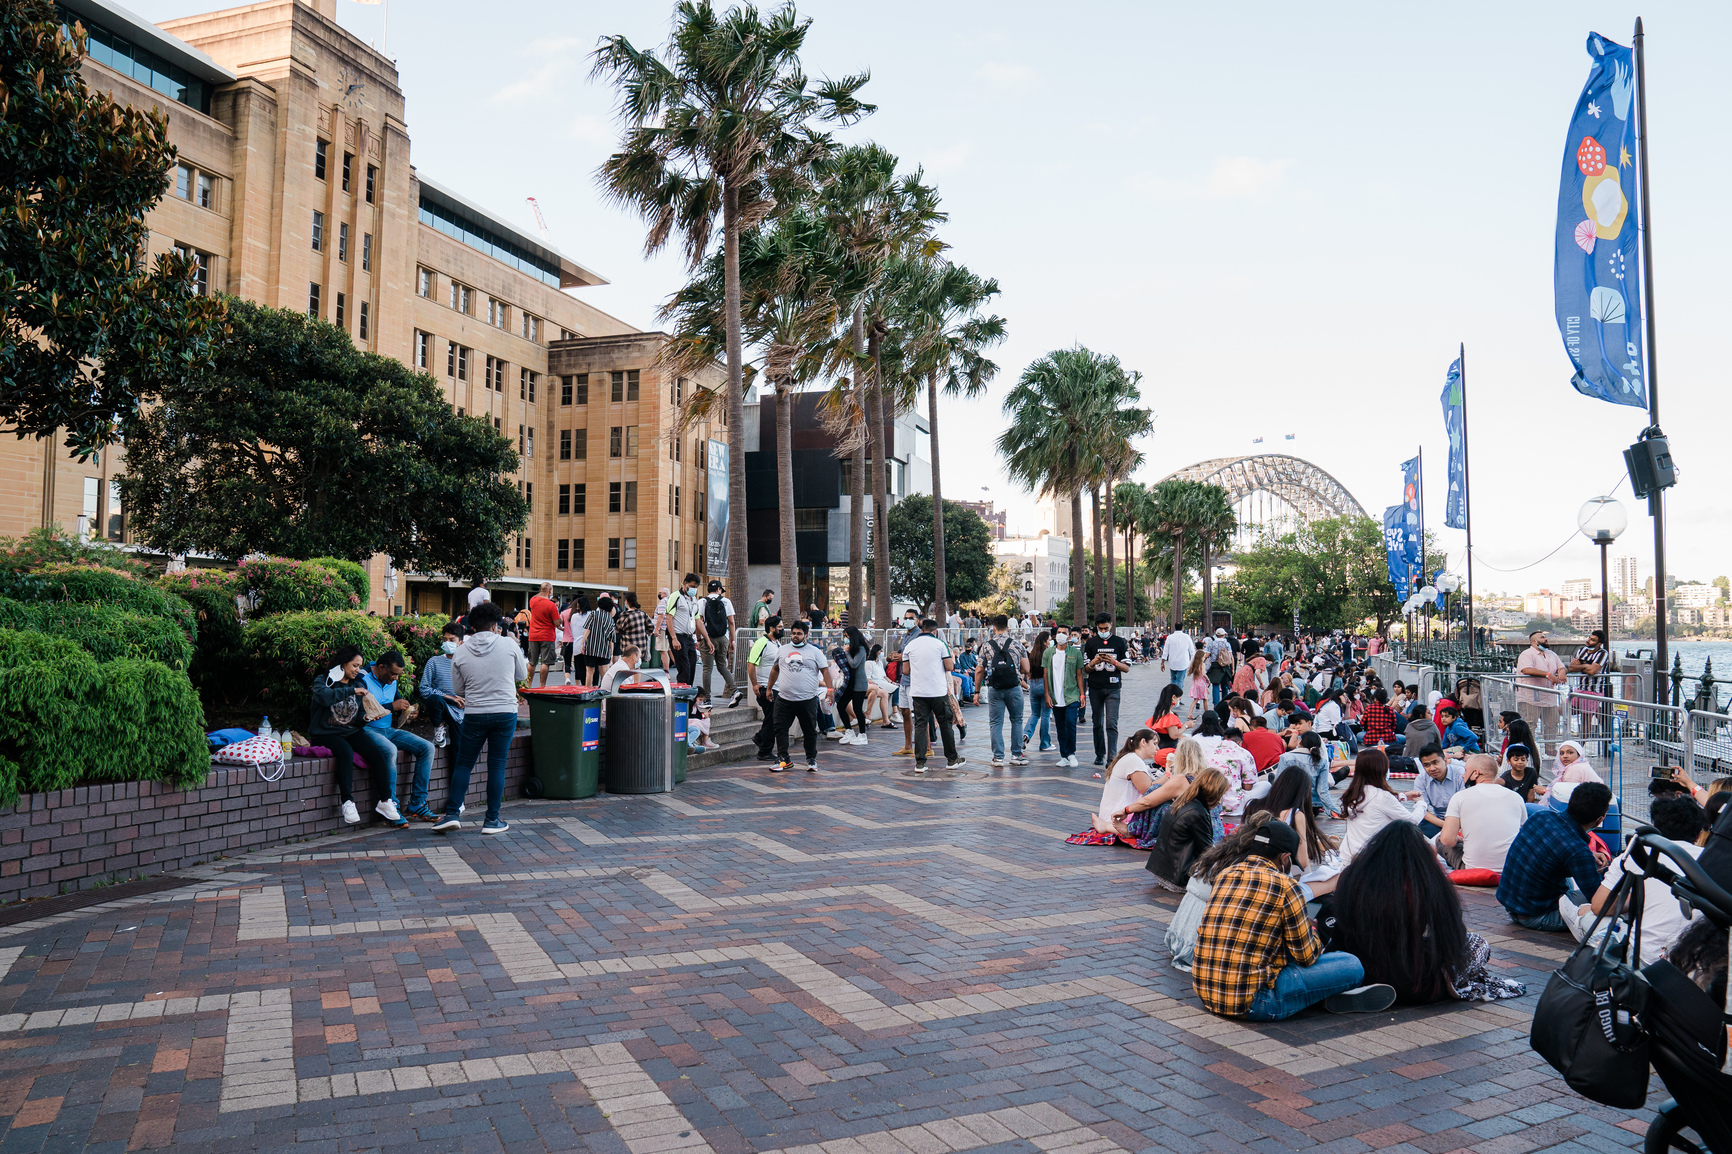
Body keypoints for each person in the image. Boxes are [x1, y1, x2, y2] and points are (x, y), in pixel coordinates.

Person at [1192, 818, 1396, 1020]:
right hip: (1254, 1002)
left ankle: (1320, 994)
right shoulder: (1286, 886)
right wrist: (1313, 929)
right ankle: (1322, 994)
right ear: (1284, 857)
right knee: (1352, 965)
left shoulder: (1226, 875)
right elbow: (1306, 956)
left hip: (1206, 992)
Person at [1324, 822, 1526, 1004]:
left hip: (1355, 966)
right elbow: (1451, 937)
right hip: (1416, 981)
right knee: (1477, 943)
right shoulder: (1426, 885)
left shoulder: (1350, 875)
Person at [1562, 794, 1708, 961]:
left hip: (1644, 957)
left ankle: (1577, 918)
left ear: (1654, 826)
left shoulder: (1635, 855)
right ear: (1698, 834)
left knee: (1589, 915)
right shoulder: (1712, 860)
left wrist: (1640, 896)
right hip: (1697, 961)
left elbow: (1600, 906)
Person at [435, 600, 527, 835]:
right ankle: (492, 820)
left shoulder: (462, 649)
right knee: (496, 765)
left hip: (475, 713)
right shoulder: (508, 644)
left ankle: (453, 814)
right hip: (505, 712)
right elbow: (521, 675)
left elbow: (459, 689)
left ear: (471, 626)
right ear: (496, 624)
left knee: (464, 763)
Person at [309, 645, 406, 828]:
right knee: (345, 752)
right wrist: (351, 692)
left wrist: (367, 717)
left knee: (377, 753)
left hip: (350, 731)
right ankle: (347, 802)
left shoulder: (358, 684)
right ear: (342, 664)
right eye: (354, 665)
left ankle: (385, 801)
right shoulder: (325, 680)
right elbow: (324, 697)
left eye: (359, 666)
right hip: (325, 733)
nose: (357, 670)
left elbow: (358, 717)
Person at [1495, 781, 1612, 930]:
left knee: (1573, 881)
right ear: (1600, 820)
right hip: (1535, 915)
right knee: (1610, 914)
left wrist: (1588, 858)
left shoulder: (1541, 816)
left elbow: (1558, 848)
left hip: (1511, 903)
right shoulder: (1577, 850)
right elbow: (1599, 902)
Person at [359, 648, 438, 822]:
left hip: (388, 729)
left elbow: (397, 704)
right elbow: (361, 711)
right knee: (390, 750)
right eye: (393, 674)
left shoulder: (392, 680)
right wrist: (392, 706)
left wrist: (408, 712)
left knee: (427, 747)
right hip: (366, 730)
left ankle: (417, 804)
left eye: (398, 675)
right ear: (381, 667)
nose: (396, 678)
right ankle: (391, 806)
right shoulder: (362, 678)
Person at [1437, 753, 1529, 874]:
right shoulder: (1516, 797)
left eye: (1466, 771)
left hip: (1472, 870)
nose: (1463, 776)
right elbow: (1522, 835)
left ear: (1475, 773)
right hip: (1510, 869)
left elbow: (1447, 840)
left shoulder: (1460, 797)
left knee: (1440, 840)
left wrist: (1458, 840)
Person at [764, 619, 835, 773]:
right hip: (784, 699)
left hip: (807, 699)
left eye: (799, 634)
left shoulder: (814, 652)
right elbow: (775, 669)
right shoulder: (782, 650)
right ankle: (784, 759)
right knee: (780, 728)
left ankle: (811, 759)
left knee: (809, 731)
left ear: (806, 635)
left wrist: (830, 689)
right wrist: (769, 688)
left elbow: (824, 671)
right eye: (794, 633)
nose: (795, 636)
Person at [1144, 768, 1230, 891]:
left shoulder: (1184, 801)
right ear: (1215, 792)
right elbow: (1207, 850)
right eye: (1221, 794)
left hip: (1161, 868)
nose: (1221, 799)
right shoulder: (1198, 812)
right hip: (1178, 875)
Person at [1337, 748, 1424, 862]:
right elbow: (1412, 822)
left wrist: (1403, 796)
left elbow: (1375, 805)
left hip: (1348, 858)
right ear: (1381, 769)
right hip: (1374, 859)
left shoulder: (1353, 794)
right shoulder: (1383, 797)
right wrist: (1421, 804)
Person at [903, 618, 965, 774]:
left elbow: (905, 670)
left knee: (920, 726)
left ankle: (920, 763)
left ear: (921, 629)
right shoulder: (940, 644)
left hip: (917, 692)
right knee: (945, 724)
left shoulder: (910, 645)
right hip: (938, 692)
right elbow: (949, 666)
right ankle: (952, 759)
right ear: (935, 631)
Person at [1093, 729, 1161, 838]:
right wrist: (1168, 775)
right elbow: (1148, 790)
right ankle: (1107, 826)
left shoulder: (1132, 758)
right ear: (1143, 742)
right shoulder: (1134, 760)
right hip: (1118, 816)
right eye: (1155, 744)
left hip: (1116, 813)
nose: (1157, 748)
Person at [982, 615, 1030, 767]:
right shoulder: (1017, 644)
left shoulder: (986, 646)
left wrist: (977, 692)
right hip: (1014, 687)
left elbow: (978, 670)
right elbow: (1026, 668)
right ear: (1008, 628)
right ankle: (1016, 755)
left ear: (993, 628)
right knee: (1016, 720)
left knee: (996, 722)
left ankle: (998, 757)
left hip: (994, 688)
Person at [1083, 612, 1130, 766]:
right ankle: (1099, 754)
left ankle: (1112, 757)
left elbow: (1127, 667)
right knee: (1097, 722)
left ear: (1111, 625)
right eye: (1101, 629)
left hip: (1113, 687)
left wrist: (1114, 662)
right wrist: (1093, 662)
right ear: (1096, 627)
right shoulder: (1090, 644)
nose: (1103, 631)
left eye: (1106, 628)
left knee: (1111, 722)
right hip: (1096, 687)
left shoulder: (1119, 642)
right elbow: (1086, 669)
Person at [419, 620, 467, 750]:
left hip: (461, 709)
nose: (447, 643)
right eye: (445, 639)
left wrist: (465, 701)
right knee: (434, 699)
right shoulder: (434, 662)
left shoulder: (466, 663)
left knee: (458, 749)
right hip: (443, 705)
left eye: (452, 640)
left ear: (460, 643)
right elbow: (424, 689)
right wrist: (450, 698)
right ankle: (439, 729)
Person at [1043, 625, 1086, 767]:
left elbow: (1079, 674)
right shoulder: (1048, 653)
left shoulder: (1075, 653)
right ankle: (1064, 755)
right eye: (1059, 632)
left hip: (1071, 695)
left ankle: (1071, 753)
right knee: (1060, 727)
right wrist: (1047, 694)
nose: (1061, 635)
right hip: (1056, 697)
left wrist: (1081, 694)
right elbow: (1045, 675)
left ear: (1069, 636)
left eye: (1064, 633)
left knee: (1070, 723)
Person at [1515, 629, 1567, 743]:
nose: (1545, 639)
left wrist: (1562, 672)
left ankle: (1551, 751)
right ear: (1534, 641)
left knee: (1553, 724)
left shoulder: (1551, 654)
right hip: (1530, 697)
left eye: (1545, 637)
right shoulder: (1527, 654)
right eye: (1542, 637)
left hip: (1549, 697)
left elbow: (1561, 666)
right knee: (1530, 724)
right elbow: (1526, 669)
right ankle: (1531, 751)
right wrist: (1547, 674)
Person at [696, 580, 740, 704]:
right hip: (723, 638)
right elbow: (731, 622)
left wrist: (699, 639)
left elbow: (698, 622)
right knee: (722, 666)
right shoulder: (726, 601)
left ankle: (707, 698)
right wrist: (732, 640)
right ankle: (735, 690)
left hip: (707, 638)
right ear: (719, 589)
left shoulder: (702, 602)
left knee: (707, 668)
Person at [1411, 743, 1466, 840]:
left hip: (1463, 820)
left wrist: (1456, 827)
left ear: (1445, 761)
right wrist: (1448, 826)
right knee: (1414, 835)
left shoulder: (1460, 774)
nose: (1432, 768)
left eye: (1435, 762)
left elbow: (1467, 806)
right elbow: (1424, 811)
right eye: (1426, 765)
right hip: (1439, 821)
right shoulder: (1421, 780)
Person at [748, 615, 782, 762]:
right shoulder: (761, 642)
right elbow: (751, 663)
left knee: (772, 718)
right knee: (772, 718)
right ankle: (764, 750)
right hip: (764, 687)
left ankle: (761, 738)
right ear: (772, 628)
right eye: (780, 627)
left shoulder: (777, 644)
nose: (782, 629)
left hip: (776, 687)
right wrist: (755, 684)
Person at [834, 627, 872, 746]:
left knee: (857, 708)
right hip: (849, 684)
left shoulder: (860, 649)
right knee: (840, 705)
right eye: (844, 636)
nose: (845, 639)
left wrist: (846, 651)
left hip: (859, 684)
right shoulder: (852, 649)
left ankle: (862, 734)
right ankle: (849, 731)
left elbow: (854, 664)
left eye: (847, 636)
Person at [665, 573, 702, 687]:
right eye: (692, 586)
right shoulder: (676, 596)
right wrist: (674, 638)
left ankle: (689, 699)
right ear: (684, 584)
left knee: (691, 669)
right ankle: (681, 698)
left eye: (696, 587)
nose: (693, 589)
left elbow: (698, 621)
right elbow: (669, 618)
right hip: (678, 636)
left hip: (689, 637)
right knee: (684, 669)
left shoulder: (694, 600)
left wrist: (704, 639)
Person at [526, 581, 561, 689]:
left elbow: (538, 595)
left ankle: (528, 684)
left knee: (532, 662)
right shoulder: (551, 605)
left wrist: (543, 591)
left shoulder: (533, 601)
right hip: (547, 636)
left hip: (533, 635)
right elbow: (557, 622)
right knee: (545, 662)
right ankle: (542, 686)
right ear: (550, 591)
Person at [1023, 631, 1052, 753]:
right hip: (1045, 684)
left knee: (1035, 714)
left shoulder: (1032, 653)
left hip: (1033, 684)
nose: (1050, 641)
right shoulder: (1049, 653)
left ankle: (1026, 734)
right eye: (1049, 639)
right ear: (1045, 641)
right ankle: (1045, 743)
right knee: (1045, 715)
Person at [581, 595, 619, 687]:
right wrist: (611, 651)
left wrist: (582, 643)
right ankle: (603, 691)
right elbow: (611, 638)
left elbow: (587, 630)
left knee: (590, 672)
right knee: (604, 673)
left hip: (591, 648)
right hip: (604, 649)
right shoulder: (610, 619)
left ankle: (587, 690)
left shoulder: (593, 614)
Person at [615, 591, 653, 675]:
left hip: (627, 646)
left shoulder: (624, 615)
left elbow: (617, 629)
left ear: (626, 602)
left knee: (627, 667)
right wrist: (643, 633)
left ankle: (629, 685)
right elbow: (651, 627)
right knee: (637, 667)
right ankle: (637, 685)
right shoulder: (642, 613)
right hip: (640, 647)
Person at [863, 643, 897, 728]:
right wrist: (873, 683)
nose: (882, 652)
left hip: (881, 681)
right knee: (876, 689)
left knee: (885, 693)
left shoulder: (880, 663)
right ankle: (868, 713)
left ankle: (886, 720)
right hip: (874, 682)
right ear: (877, 652)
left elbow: (884, 675)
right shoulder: (869, 663)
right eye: (880, 651)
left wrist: (891, 682)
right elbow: (868, 677)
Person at [1203, 627, 1235, 707]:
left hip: (1215, 665)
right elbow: (1231, 657)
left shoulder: (1212, 643)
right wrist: (1233, 668)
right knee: (1225, 685)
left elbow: (1206, 655)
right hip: (1225, 666)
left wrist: (1201, 663)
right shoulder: (1227, 644)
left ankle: (1216, 704)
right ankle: (1225, 703)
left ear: (1216, 634)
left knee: (1215, 685)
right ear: (1224, 634)